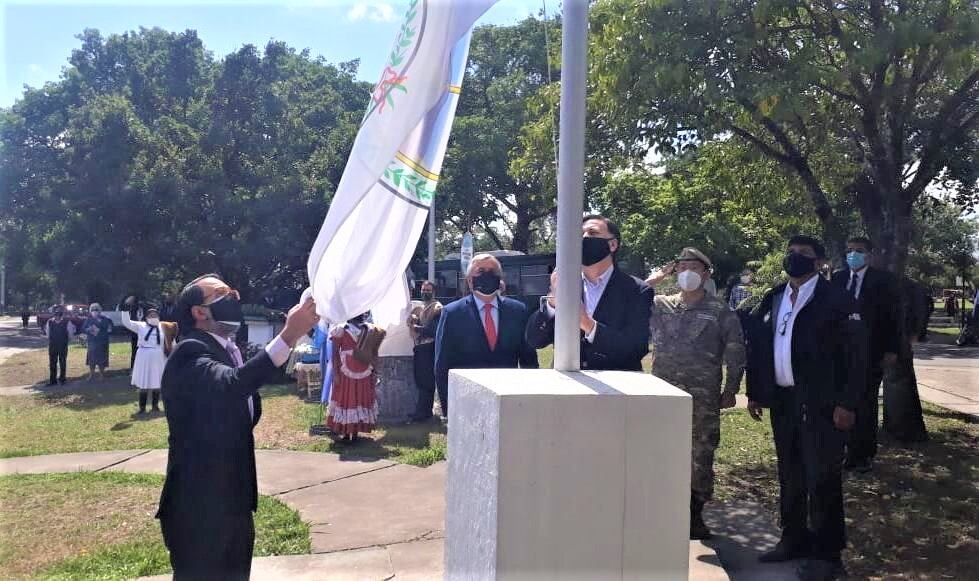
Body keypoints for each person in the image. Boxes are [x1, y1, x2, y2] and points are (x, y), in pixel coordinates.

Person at [157, 274, 318, 580]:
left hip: (231, 501)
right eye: (223, 294)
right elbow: (232, 385)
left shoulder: (225, 350)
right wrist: (288, 335)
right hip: (199, 509)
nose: (235, 297)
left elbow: (241, 394)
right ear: (199, 312)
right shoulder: (189, 353)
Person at [743, 235, 865, 581]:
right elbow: (761, 348)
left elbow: (858, 358)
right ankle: (792, 538)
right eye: (791, 252)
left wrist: (848, 403)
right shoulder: (775, 297)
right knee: (791, 473)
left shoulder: (837, 300)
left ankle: (827, 554)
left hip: (824, 404)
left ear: (820, 262)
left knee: (822, 477)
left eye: (804, 254)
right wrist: (756, 393)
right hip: (784, 401)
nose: (794, 258)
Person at [645, 248, 746, 540]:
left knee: (700, 454)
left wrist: (731, 388)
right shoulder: (660, 304)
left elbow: (735, 349)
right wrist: (656, 278)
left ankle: (694, 513)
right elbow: (628, 297)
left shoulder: (719, 310)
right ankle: (663, 509)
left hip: (701, 398)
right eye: (682, 266)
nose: (687, 271)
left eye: (694, 266)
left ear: (706, 273)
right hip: (662, 396)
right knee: (662, 452)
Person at [525, 215, 652, 371]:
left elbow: (636, 349)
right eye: (579, 235)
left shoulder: (637, 290)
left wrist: (590, 326)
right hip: (568, 386)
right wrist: (552, 304)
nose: (584, 237)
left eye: (592, 232)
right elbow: (534, 340)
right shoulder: (565, 285)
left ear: (612, 244)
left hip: (616, 388)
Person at [830, 237, 901, 473]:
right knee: (843, 400)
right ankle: (843, 448)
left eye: (858, 251)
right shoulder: (838, 278)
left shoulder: (883, 281)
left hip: (872, 351)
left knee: (865, 402)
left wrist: (892, 349)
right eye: (849, 250)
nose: (853, 255)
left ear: (869, 255)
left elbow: (893, 318)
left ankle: (863, 454)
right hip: (842, 352)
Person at [435, 254, 539, 416]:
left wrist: (531, 400)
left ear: (499, 279)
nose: (487, 275)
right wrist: (449, 410)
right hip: (467, 401)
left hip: (508, 400)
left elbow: (529, 360)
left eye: (492, 271)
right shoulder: (452, 313)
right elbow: (442, 364)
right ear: (470, 280)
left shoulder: (518, 311)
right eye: (481, 271)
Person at [881, 278, 929, 443]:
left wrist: (916, 333)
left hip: (899, 345)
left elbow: (923, 308)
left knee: (897, 382)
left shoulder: (908, 286)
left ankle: (900, 429)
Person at [326, 312, 386, 442]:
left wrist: (375, 371)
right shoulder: (341, 329)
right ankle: (346, 432)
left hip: (364, 369)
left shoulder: (370, 329)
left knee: (359, 398)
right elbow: (335, 353)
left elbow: (374, 352)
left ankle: (355, 433)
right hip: (346, 371)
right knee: (347, 399)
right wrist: (336, 373)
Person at [122, 298, 176, 414]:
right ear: (146, 317)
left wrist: (174, 352)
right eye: (151, 315)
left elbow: (170, 341)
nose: (154, 317)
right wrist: (126, 308)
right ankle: (142, 408)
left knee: (157, 381)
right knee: (144, 382)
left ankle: (155, 406)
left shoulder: (164, 327)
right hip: (144, 356)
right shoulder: (140, 326)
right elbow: (127, 322)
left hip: (158, 356)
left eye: (156, 315)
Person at [409, 281, 444, 422]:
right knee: (421, 380)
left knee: (426, 381)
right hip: (419, 347)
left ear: (433, 291)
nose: (425, 292)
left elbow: (433, 330)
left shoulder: (437, 307)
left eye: (428, 290)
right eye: (423, 290)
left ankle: (423, 413)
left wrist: (416, 327)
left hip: (429, 347)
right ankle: (423, 411)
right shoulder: (420, 307)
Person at [43, 306, 76, 385]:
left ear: (61, 314)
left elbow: (70, 333)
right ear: (54, 314)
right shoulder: (50, 322)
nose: (57, 315)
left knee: (62, 362)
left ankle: (62, 379)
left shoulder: (67, 322)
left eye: (59, 314)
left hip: (62, 345)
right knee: (52, 363)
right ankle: (53, 380)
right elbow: (48, 333)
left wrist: (68, 340)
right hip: (53, 345)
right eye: (56, 314)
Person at [81, 303, 113, 382]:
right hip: (92, 342)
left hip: (102, 342)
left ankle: (102, 375)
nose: (94, 312)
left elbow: (108, 327)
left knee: (101, 360)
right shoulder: (88, 319)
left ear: (99, 311)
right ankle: (92, 374)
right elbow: (83, 328)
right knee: (92, 360)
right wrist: (89, 329)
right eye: (93, 310)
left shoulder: (105, 319)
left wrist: (97, 323)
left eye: (96, 310)